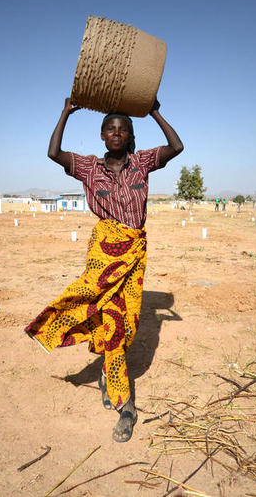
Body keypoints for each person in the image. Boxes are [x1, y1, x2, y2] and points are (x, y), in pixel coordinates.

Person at [25, 96, 183, 442]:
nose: (116, 133)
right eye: (110, 129)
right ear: (101, 135)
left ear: (129, 136)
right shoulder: (87, 167)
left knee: (125, 322)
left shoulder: (141, 163)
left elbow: (176, 146)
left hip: (133, 252)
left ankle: (107, 374)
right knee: (95, 301)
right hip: (103, 249)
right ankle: (125, 404)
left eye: (122, 129)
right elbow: (54, 153)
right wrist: (65, 111)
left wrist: (153, 110)